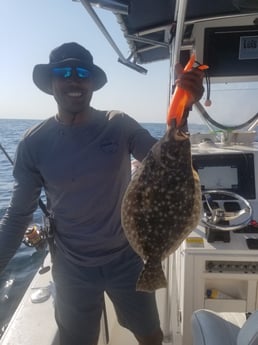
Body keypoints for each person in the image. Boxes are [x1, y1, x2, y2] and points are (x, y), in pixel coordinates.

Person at [0, 42, 204, 345]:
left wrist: (184, 104)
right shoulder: (34, 143)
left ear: (92, 82)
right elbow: (17, 215)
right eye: (63, 72)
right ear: (51, 82)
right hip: (72, 267)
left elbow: (164, 158)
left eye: (82, 73)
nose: (73, 80)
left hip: (129, 257)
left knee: (150, 335)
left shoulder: (118, 124)